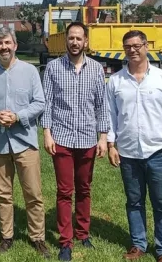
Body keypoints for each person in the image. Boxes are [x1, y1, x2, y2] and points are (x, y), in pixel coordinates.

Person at [107, 30, 162, 262]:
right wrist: (112, 144)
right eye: (128, 46)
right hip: (128, 153)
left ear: (146, 46)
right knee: (134, 202)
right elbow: (110, 117)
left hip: (158, 152)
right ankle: (138, 245)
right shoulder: (116, 81)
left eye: (137, 45)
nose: (133, 50)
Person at [0, 27, 51, 258]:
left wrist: (18, 116)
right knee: (3, 194)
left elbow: (39, 103)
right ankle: (7, 236)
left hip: (24, 141)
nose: (3, 47)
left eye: (7, 42)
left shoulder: (29, 71)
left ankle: (37, 237)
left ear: (15, 44)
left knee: (33, 193)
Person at [41, 22, 109, 262]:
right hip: (62, 137)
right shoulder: (53, 68)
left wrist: (103, 137)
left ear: (86, 42)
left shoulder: (96, 69)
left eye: (79, 38)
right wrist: (47, 133)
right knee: (64, 191)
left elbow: (102, 105)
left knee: (84, 189)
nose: (74, 42)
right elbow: (47, 103)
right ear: (66, 41)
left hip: (89, 137)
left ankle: (82, 232)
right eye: (71, 38)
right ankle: (65, 241)